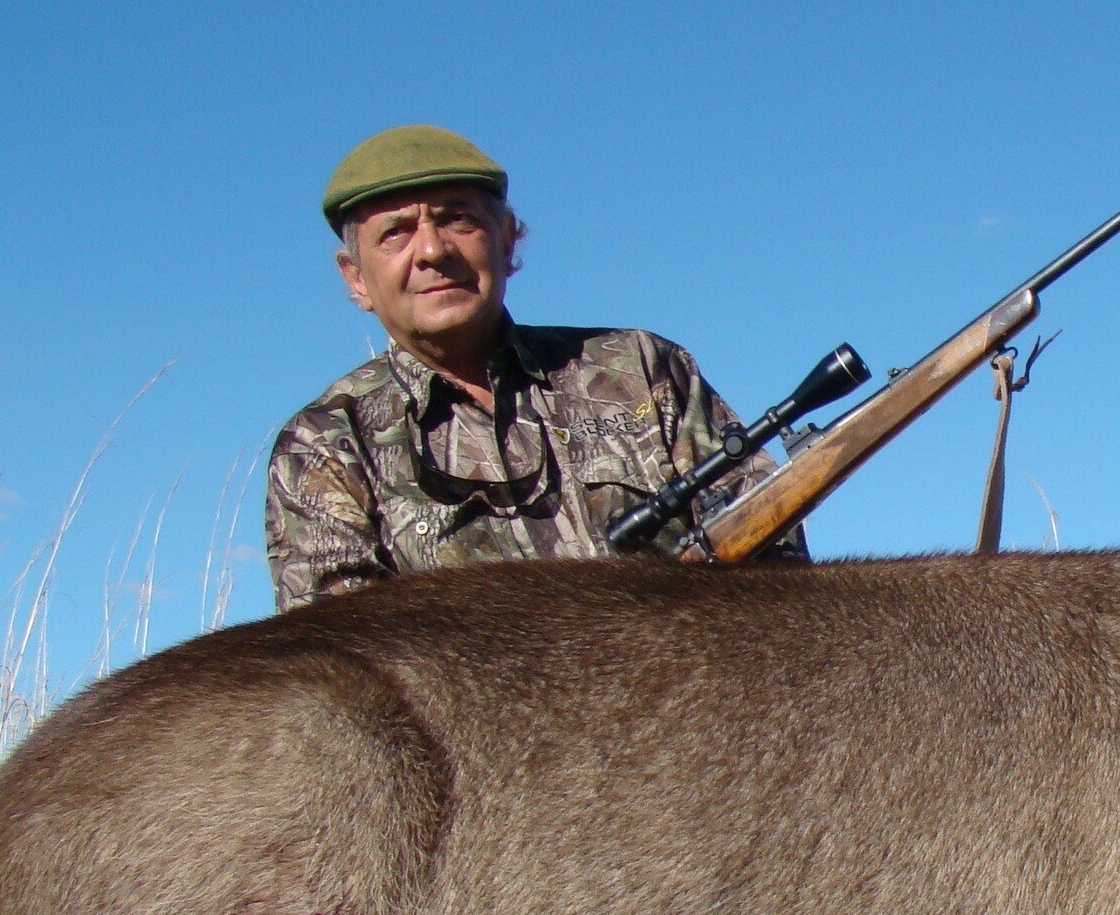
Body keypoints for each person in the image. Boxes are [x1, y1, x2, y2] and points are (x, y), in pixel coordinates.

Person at [266, 125, 804, 609]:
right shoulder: (326, 445)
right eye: (396, 233)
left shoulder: (643, 368)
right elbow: (340, 660)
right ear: (354, 278)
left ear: (506, 239)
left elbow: (776, 574)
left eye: (458, 218)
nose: (432, 248)